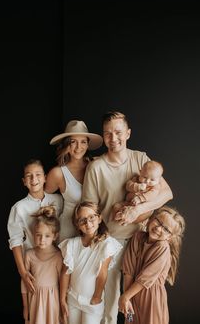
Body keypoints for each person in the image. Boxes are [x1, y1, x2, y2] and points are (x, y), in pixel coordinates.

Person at [81, 111, 173, 324]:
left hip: (141, 240)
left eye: (118, 132)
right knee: (109, 303)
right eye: (108, 134)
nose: (113, 138)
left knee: (137, 301)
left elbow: (167, 193)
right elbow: (90, 209)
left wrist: (136, 212)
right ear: (103, 137)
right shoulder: (96, 168)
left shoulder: (141, 159)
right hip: (110, 241)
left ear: (128, 133)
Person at [118, 205, 185, 324]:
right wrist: (127, 298)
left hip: (151, 300)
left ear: (170, 237)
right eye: (158, 222)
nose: (159, 229)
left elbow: (144, 279)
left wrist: (126, 296)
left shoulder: (162, 248)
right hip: (131, 295)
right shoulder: (137, 237)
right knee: (130, 321)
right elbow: (128, 271)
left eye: (166, 229)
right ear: (152, 219)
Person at [59, 201, 122, 324]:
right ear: (77, 225)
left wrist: (97, 297)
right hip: (72, 298)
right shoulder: (72, 244)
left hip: (92, 301)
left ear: (99, 218)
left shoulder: (106, 244)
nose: (88, 223)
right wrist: (62, 299)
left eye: (91, 217)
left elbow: (102, 274)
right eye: (82, 220)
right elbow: (65, 273)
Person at [7, 158, 63, 293]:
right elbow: (16, 241)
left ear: (45, 178)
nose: (33, 179)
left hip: (57, 260)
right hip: (34, 263)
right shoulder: (19, 207)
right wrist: (23, 272)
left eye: (38, 174)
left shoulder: (58, 200)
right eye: (29, 176)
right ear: (24, 182)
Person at [45, 120, 103, 241]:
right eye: (73, 142)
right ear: (66, 144)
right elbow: (42, 202)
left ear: (88, 145)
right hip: (68, 231)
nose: (78, 147)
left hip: (93, 229)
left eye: (83, 142)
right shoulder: (58, 173)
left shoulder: (96, 165)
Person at [21, 205, 62, 324]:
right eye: (38, 235)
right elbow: (24, 282)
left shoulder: (58, 256)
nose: (42, 239)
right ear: (33, 234)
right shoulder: (29, 255)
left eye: (47, 236)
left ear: (55, 236)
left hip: (52, 301)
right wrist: (25, 307)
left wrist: (62, 306)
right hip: (34, 300)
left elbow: (62, 283)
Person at [111, 160, 164, 225]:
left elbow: (152, 195)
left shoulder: (155, 187)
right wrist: (136, 187)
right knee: (116, 206)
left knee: (147, 213)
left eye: (152, 180)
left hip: (141, 206)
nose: (147, 181)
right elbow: (128, 186)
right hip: (127, 202)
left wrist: (140, 198)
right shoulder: (136, 179)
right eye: (145, 177)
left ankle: (126, 220)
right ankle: (120, 216)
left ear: (159, 179)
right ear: (140, 172)